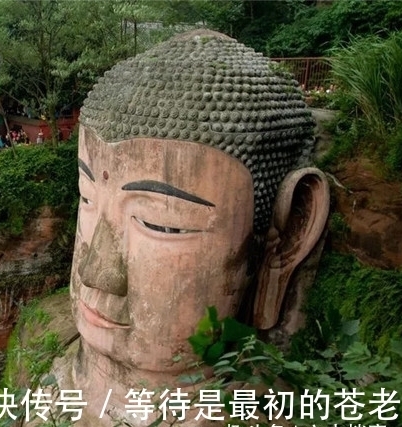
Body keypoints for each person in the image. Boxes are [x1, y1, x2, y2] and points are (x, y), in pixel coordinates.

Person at [59, 30, 330, 426]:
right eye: (86, 198)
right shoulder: (44, 363)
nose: (94, 273)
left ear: (288, 237)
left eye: (160, 224)